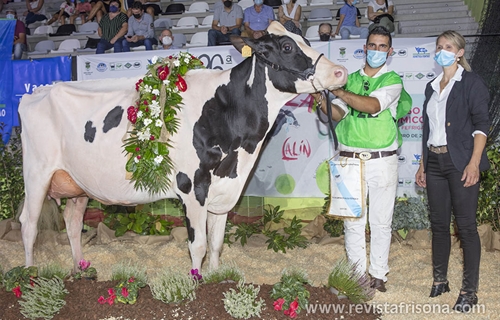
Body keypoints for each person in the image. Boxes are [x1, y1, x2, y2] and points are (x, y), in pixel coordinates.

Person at [313, 26, 411, 292]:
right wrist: (321, 98)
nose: (376, 51)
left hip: (383, 159)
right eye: (372, 45)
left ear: (389, 52)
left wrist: (337, 90)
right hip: (349, 157)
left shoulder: (393, 80)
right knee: (353, 221)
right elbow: (338, 114)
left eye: (382, 47)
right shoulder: (351, 79)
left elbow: (372, 105)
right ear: (364, 48)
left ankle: (378, 273)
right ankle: (356, 275)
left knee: (381, 221)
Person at [415, 30, 490, 313]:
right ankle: (440, 280)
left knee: (466, 227)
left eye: (448, 46)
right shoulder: (431, 86)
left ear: (460, 52)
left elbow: (482, 126)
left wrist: (474, 162)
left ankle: (469, 292)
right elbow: (428, 130)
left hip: (460, 163)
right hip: (434, 163)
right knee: (438, 225)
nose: (442, 50)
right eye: (439, 46)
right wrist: (423, 163)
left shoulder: (471, 83)